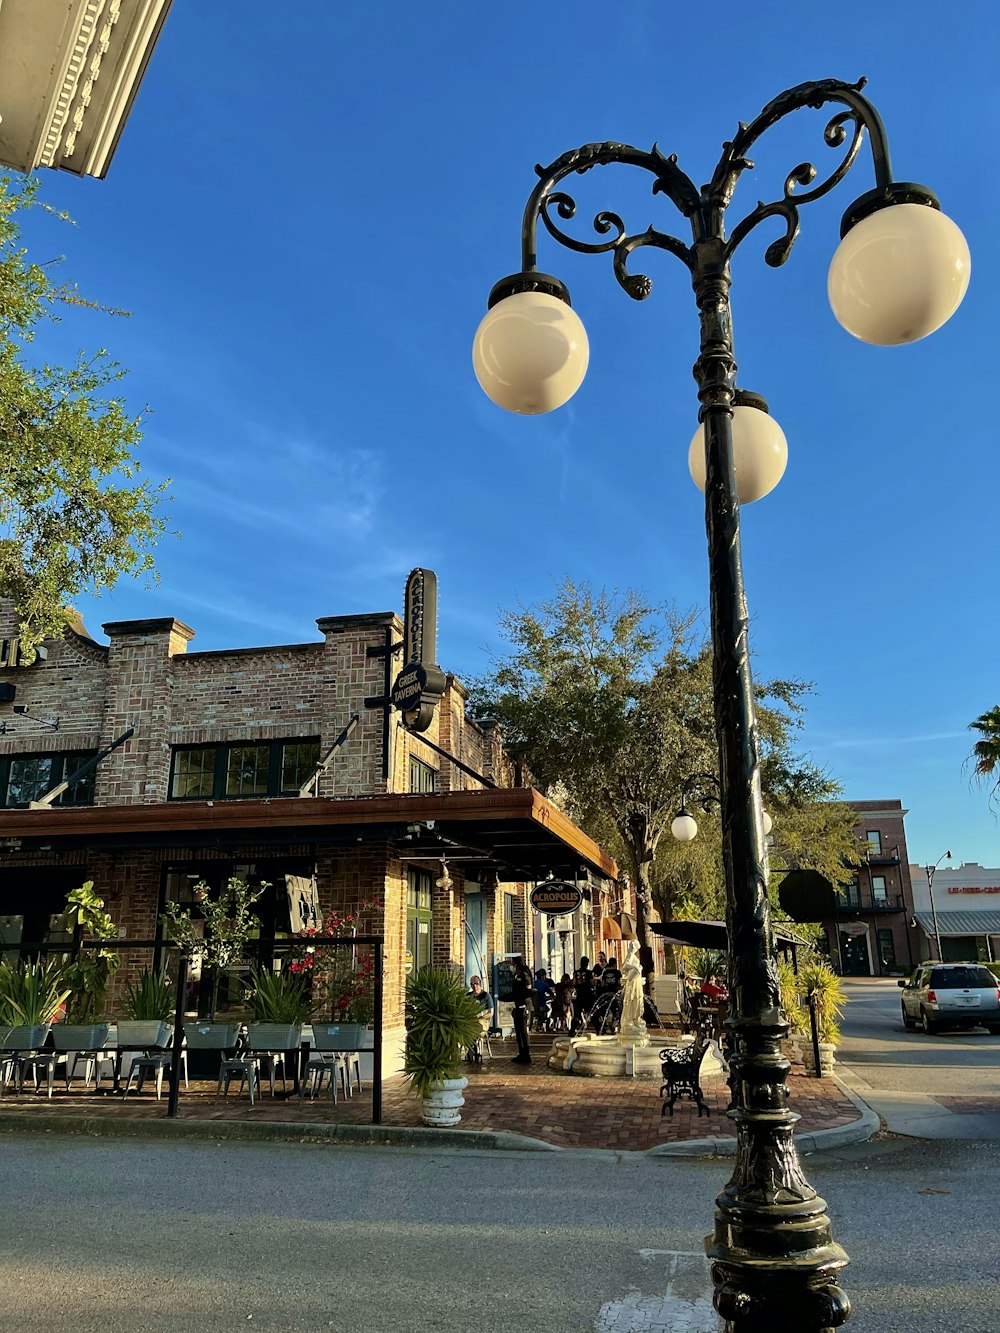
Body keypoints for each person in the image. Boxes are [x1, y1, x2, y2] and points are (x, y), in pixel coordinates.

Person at [510, 958, 532, 1063]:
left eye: (513, 964)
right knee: (518, 1032)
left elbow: (529, 990)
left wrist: (523, 1000)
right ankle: (521, 1053)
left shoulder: (524, 976)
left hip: (524, 1007)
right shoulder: (516, 976)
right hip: (517, 1006)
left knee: (523, 1032)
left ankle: (526, 1055)